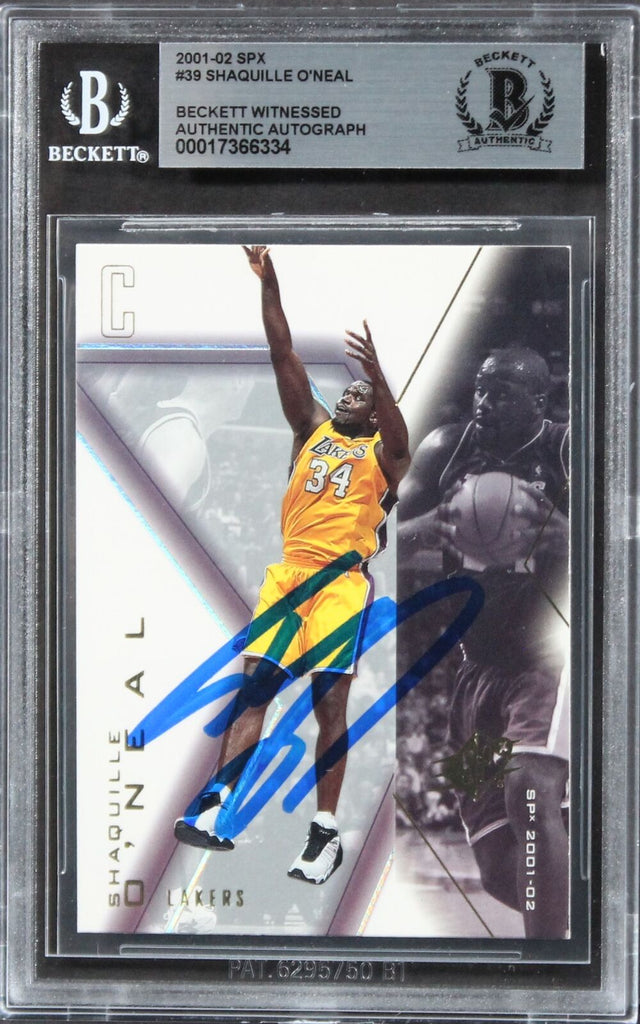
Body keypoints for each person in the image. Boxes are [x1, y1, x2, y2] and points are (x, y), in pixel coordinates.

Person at [175, 245, 410, 884]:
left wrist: (382, 376)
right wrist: (269, 282)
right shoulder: (311, 429)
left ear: (375, 410)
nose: (350, 393)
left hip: (341, 584)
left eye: (362, 392)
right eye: (350, 388)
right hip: (289, 575)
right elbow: (283, 351)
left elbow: (400, 438)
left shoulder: (385, 456)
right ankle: (216, 803)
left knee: (328, 705)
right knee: (255, 690)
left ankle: (324, 834)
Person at [398, 347, 570, 938]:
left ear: (539, 401)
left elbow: (626, 538)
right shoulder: (446, 449)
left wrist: (572, 535)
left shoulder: (567, 450)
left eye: (501, 393)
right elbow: (371, 540)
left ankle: (550, 971)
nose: (484, 403)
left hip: (548, 663)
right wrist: (422, 529)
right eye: (479, 388)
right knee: (498, 868)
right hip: (473, 674)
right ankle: (591, 921)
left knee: (530, 789)